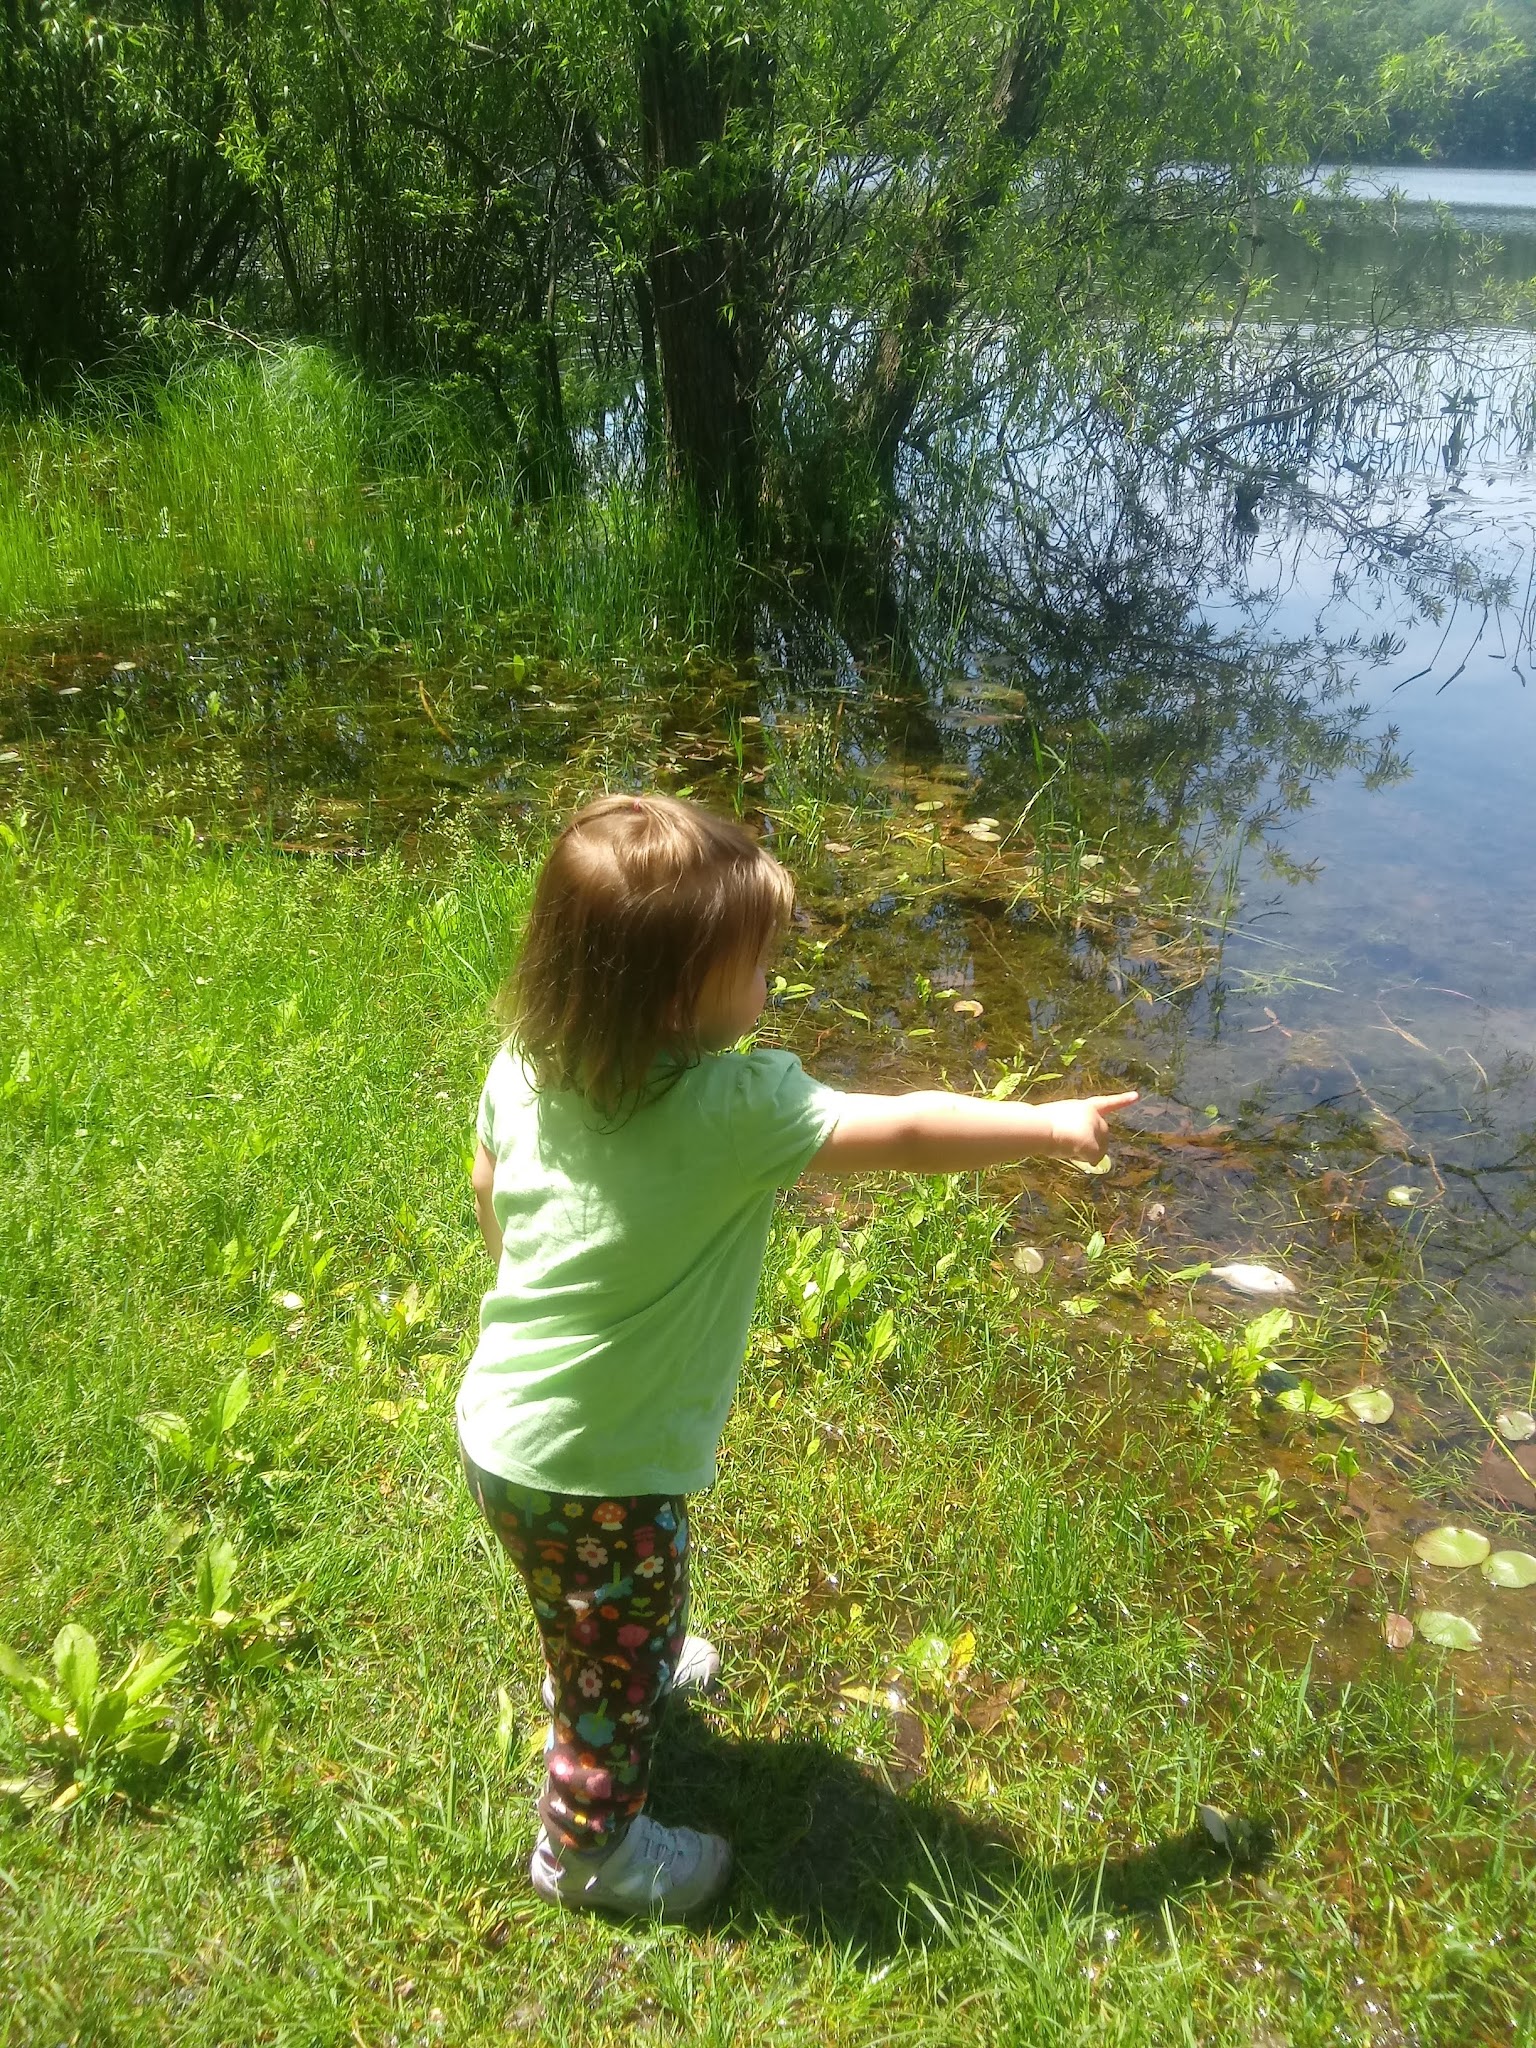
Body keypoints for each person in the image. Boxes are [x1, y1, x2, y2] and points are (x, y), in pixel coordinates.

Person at [459, 792, 1137, 1921]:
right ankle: (589, 1849)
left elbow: (490, 1188)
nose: (773, 981)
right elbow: (908, 1129)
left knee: (592, 1591)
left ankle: (605, 1651)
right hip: (601, 1463)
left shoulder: (527, 1065)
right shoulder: (739, 1104)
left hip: (505, 1430)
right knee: (613, 1648)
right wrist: (1050, 1124)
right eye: (759, 962)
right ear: (681, 993)